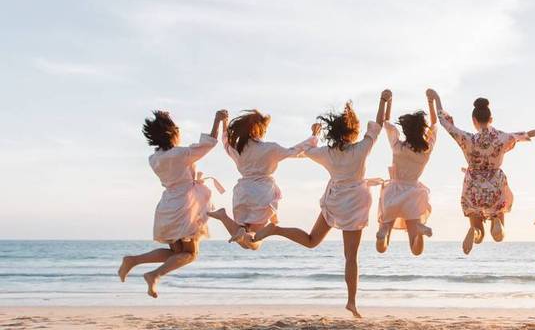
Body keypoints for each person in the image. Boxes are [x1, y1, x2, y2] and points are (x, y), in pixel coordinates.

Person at [254, 90, 391, 318]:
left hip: (335, 200)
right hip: (355, 202)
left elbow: (306, 150)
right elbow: (377, 126)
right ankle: (351, 302)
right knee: (351, 257)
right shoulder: (361, 149)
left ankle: (276, 229)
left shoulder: (327, 153)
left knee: (311, 241)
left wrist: (313, 134)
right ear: (353, 131)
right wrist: (384, 101)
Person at [426, 89, 535, 254]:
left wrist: (436, 97)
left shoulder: (467, 139)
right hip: (495, 185)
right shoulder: (502, 138)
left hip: (473, 186)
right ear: (491, 119)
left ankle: (475, 232)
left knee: (478, 233)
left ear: (474, 120)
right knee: (499, 236)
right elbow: (527, 134)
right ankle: (497, 223)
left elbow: (445, 123)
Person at [118, 109, 228, 297]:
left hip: (169, 205)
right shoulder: (179, 154)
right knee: (190, 254)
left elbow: (175, 151)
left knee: (175, 254)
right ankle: (154, 275)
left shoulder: (154, 159)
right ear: (172, 134)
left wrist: (165, 119)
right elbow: (208, 143)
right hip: (185, 207)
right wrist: (217, 120)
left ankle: (133, 260)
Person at [212, 109, 319, 249]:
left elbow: (225, 142)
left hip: (242, 193)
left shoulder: (238, 148)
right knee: (254, 240)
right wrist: (314, 136)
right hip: (262, 193)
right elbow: (294, 151)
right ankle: (235, 223)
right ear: (259, 129)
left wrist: (224, 122)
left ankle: (239, 227)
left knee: (247, 241)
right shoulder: (270, 148)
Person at [375, 90, 437, 255]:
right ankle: (418, 231)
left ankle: (383, 234)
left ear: (405, 130)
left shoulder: (398, 147)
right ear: (421, 130)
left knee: (382, 243)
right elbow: (434, 125)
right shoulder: (426, 150)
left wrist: (388, 101)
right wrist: (431, 102)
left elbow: (386, 123)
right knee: (416, 250)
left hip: (393, 191)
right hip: (414, 193)